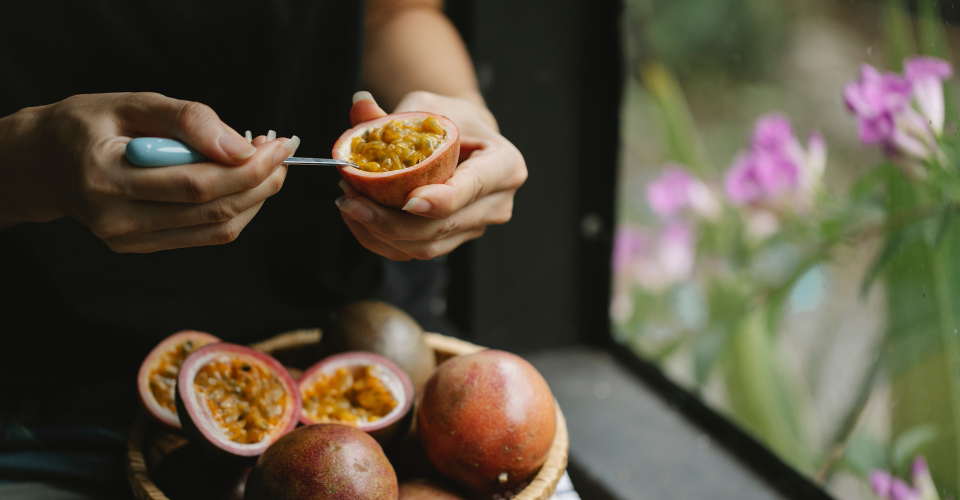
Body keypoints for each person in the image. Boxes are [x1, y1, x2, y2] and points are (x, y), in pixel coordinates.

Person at [0, 0, 527, 497]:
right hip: (53, 397)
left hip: (382, 362)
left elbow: (395, 12)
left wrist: (457, 108)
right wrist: (27, 165)